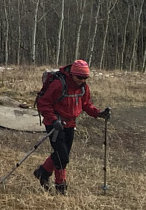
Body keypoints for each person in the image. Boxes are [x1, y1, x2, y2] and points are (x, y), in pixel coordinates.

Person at [34, 59, 111, 194]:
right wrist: (53, 120)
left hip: (70, 124)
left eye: (85, 77)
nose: (82, 80)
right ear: (72, 74)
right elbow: (43, 103)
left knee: (62, 154)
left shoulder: (83, 87)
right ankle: (60, 185)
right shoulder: (59, 84)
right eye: (80, 77)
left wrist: (99, 113)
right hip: (55, 125)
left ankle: (43, 173)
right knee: (62, 156)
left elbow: (86, 104)